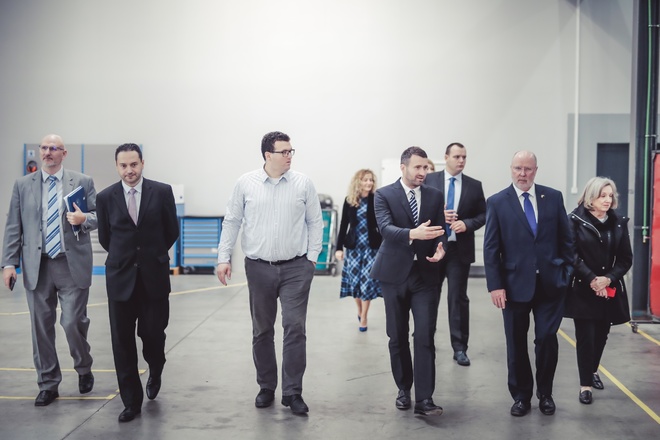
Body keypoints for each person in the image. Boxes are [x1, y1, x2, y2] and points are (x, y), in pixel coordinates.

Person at [216, 131, 323, 415]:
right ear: (267, 155)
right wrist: (223, 258)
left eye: (291, 151)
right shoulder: (245, 183)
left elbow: (315, 221)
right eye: (283, 151)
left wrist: (312, 259)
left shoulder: (303, 184)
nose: (289, 156)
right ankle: (266, 386)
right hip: (258, 267)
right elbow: (232, 220)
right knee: (262, 330)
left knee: (295, 327)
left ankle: (293, 392)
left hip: (296, 267)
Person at [1, 134, 96, 407]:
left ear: (64, 153)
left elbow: (99, 216)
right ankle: (48, 383)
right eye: (44, 148)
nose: (47, 152)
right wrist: (9, 264)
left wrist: (83, 219)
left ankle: (83, 365)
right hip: (37, 264)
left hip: (71, 262)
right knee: (40, 328)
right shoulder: (22, 185)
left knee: (72, 322)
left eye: (54, 148)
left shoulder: (82, 181)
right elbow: (13, 226)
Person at [483, 151, 573, 417]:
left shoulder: (553, 197)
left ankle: (546, 393)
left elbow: (566, 239)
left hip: (550, 284)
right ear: (511, 169)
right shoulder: (497, 202)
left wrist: (566, 273)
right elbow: (491, 248)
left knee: (546, 339)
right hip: (513, 286)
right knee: (516, 343)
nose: (523, 174)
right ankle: (521, 396)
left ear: (536, 170)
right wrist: (495, 285)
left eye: (528, 169)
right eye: (518, 168)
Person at [96, 143, 179, 422]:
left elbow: (171, 230)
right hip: (120, 279)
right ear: (117, 166)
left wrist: (151, 256)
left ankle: (156, 366)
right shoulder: (105, 197)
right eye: (123, 166)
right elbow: (106, 238)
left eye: (134, 164)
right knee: (122, 343)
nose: (129, 170)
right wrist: (127, 258)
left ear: (142, 163)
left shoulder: (162, 192)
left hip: (153, 278)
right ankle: (131, 402)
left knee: (153, 335)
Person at [370, 146, 447, 417]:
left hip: (425, 275)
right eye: (418, 167)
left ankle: (425, 399)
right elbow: (385, 229)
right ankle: (404, 388)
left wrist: (442, 247)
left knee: (424, 336)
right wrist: (414, 233)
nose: (423, 172)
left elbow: (441, 230)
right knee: (397, 335)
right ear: (403, 167)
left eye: (425, 167)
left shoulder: (435, 195)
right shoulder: (384, 195)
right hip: (393, 275)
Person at [565, 177, 632, 405]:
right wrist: (593, 279)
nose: (607, 200)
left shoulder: (618, 223)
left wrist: (608, 279)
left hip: (608, 288)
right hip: (583, 288)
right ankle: (585, 386)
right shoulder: (574, 221)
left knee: (601, 335)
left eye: (610, 196)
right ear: (590, 198)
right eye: (602, 196)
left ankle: (593, 370)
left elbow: (625, 259)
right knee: (586, 337)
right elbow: (571, 255)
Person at [425, 142, 486, 366]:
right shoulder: (429, 180)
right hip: (434, 248)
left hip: (459, 251)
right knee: (429, 296)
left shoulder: (474, 185)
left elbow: (484, 215)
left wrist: (467, 224)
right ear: (446, 157)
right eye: (457, 156)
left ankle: (460, 348)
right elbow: (419, 210)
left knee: (457, 298)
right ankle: (425, 341)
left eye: (464, 157)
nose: (461, 160)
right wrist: (438, 215)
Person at [335, 169, 382, 332]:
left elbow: (382, 224)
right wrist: (338, 248)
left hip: (371, 248)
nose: (369, 183)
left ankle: (364, 316)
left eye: (371, 180)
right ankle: (360, 309)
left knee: (367, 283)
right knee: (355, 283)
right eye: (365, 180)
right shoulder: (350, 200)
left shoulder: (376, 200)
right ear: (358, 182)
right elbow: (343, 226)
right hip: (354, 249)